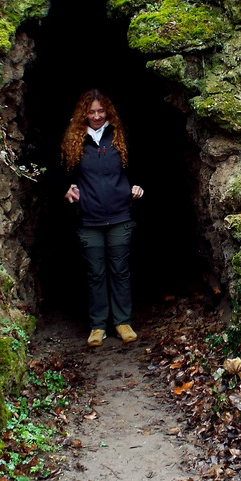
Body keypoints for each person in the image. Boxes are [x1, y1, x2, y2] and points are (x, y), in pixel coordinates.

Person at [61, 89, 144, 347]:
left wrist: (138, 186)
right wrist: (65, 189)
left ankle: (122, 322)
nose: (97, 116)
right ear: (84, 114)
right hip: (88, 218)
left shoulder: (120, 135)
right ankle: (98, 325)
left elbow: (138, 166)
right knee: (95, 273)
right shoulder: (74, 140)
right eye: (91, 112)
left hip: (120, 215)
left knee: (120, 271)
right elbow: (62, 173)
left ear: (107, 111)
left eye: (101, 111)